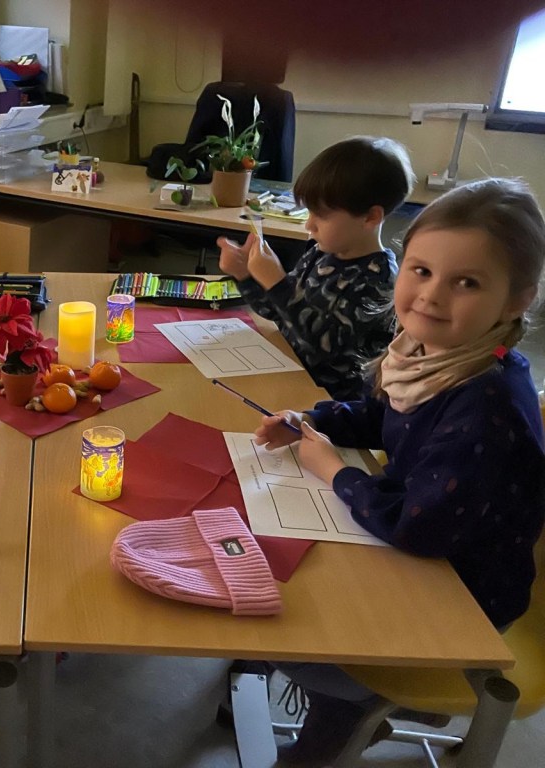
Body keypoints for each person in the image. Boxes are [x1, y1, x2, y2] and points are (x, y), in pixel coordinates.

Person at [252, 177, 545, 765]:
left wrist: (335, 472)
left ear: (517, 300)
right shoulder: (433, 353)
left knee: (285, 627)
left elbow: (418, 527)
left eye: (467, 282)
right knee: (270, 578)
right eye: (421, 270)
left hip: (463, 596)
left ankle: (341, 718)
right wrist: (313, 420)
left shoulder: (486, 404)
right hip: (429, 547)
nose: (431, 296)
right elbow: (381, 415)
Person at [218, 136, 415, 400]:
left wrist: (278, 283)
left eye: (321, 215)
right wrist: (245, 276)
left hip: (327, 402)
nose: (309, 225)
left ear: (370, 217)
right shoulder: (320, 254)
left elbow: (325, 348)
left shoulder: (379, 280)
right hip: (289, 373)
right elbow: (280, 314)